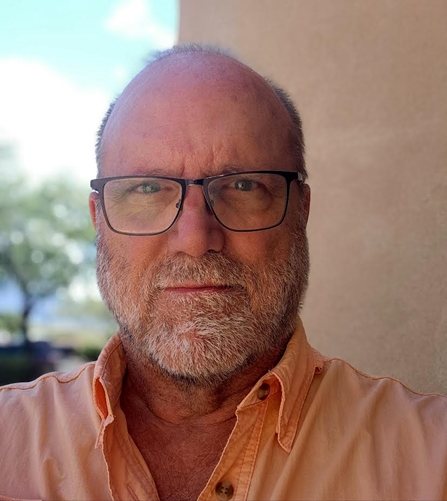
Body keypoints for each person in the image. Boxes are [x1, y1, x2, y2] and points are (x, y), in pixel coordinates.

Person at [1, 44, 447, 501]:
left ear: (301, 211)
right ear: (99, 220)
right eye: (148, 189)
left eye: (243, 186)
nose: (196, 239)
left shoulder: (431, 460)